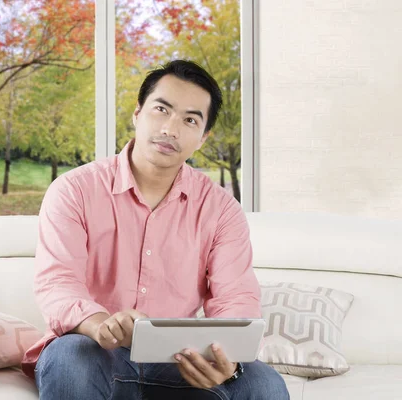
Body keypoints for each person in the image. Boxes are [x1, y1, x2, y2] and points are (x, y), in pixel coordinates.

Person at [21, 60, 289, 399]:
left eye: (189, 120)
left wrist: (227, 360)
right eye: (161, 109)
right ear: (137, 114)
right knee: (71, 358)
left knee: (262, 383)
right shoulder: (74, 190)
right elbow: (58, 284)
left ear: (203, 137)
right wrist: (101, 324)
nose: (170, 129)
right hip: (93, 348)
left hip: (178, 362)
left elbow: (235, 299)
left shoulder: (221, 210)